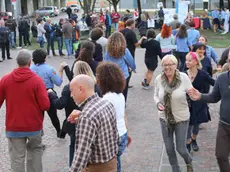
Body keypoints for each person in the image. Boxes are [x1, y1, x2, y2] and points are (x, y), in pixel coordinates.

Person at [0, 49, 50, 172]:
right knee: (35, 154)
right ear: (29, 62)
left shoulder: (5, 80)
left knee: (17, 158)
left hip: (14, 126)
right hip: (34, 126)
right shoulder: (37, 80)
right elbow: (45, 106)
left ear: (17, 62)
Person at [49, 61, 101, 167]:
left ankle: (73, 166)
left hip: (74, 124)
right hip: (92, 123)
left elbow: (60, 104)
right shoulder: (95, 87)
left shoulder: (69, 88)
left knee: (74, 146)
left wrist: (52, 95)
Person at [187, 54, 230, 172]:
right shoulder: (222, 78)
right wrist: (200, 96)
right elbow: (214, 97)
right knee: (221, 155)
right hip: (224, 124)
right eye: (229, 60)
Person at [69, 74, 119, 172]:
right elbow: (115, 135)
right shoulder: (106, 103)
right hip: (112, 163)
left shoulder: (87, 117)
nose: (71, 95)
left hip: (96, 168)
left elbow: (81, 155)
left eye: (72, 91)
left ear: (80, 89)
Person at [154, 55, 193, 172]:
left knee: (181, 148)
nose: (168, 67)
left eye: (171, 64)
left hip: (181, 118)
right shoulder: (158, 79)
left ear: (176, 66)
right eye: (165, 65)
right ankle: (176, 169)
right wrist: (157, 104)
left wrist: (195, 96)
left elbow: (192, 92)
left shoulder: (184, 77)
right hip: (164, 118)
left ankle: (188, 160)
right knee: (169, 148)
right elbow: (155, 95)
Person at [96, 62, 131, 172]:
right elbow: (122, 115)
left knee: (112, 166)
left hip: (114, 137)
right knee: (116, 163)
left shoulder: (106, 99)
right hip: (122, 133)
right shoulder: (119, 95)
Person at [185, 52, 215, 153]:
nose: (187, 62)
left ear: (196, 61)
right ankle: (188, 142)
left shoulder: (202, 74)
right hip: (186, 104)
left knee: (196, 124)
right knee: (188, 124)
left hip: (198, 103)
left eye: (189, 60)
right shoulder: (183, 74)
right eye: (186, 60)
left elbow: (214, 83)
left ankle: (194, 139)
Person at [30, 49, 63, 137]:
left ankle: (38, 135)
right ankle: (59, 132)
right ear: (44, 58)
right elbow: (58, 82)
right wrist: (60, 71)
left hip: (34, 94)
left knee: (38, 116)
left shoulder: (30, 69)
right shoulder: (49, 69)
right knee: (53, 115)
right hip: (48, 92)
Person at [104, 32, 136, 102]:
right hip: (123, 74)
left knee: (114, 92)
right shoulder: (125, 51)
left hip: (112, 75)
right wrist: (133, 68)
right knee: (124, 92)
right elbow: (130, 61)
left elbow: (105, 63)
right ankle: (122, 106)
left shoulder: (108, 52)